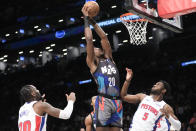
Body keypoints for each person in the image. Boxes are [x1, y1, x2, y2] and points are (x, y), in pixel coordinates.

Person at [82, 5, 123, 131]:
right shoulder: (93, 64)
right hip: (104, 101)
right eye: (94, 47)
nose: (97, 47)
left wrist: (92, 21)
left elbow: (104, 37)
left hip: (117, 102)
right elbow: (89, 39)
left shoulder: (109, 59)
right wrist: (85, 19)